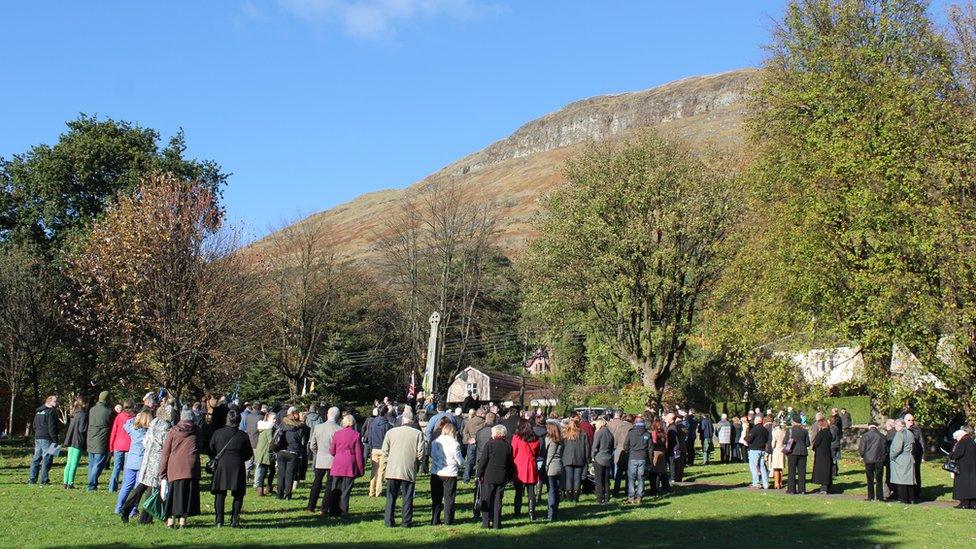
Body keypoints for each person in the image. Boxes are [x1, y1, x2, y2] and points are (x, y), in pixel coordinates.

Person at [122, 404, 174, 524]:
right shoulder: (166, 427)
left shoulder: (154, 422)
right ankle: (145, 519)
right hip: (157, 460)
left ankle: (126, 508)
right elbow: (166, 445)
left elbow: (145, 441)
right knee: (152, 489)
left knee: (141, 487)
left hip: (147, 458)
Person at [208, 409, 253, 527]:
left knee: (220, 494)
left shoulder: (218, 433)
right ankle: (235, 520)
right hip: (237, 465)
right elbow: (249, 453)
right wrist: (240, 458)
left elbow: (211, 449)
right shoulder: (243, 435)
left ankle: (219, 520)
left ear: (227, 419)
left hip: (222, 465)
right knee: (238, 494)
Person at [159, 408, 202, 528]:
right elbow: (200, 446)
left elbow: (165, 453)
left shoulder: (173, 431)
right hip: (191, 467)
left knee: (173, 495)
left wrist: (162, 472)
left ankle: (171, 521)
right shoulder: (197, 430)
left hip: (175, 467)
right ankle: (183, 521)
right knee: (187, 495)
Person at [382, 411, 425, 528]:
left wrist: (385, 466)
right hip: (408, 468)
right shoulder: (417, 434)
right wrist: (416, 464)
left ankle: (388, 521)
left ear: (402, 420)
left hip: (392, 469)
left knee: (391, 496)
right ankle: (406, 522)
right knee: (407, 496)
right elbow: (421, 453)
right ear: (412, 421)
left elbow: (385, 452)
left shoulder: (391, 432)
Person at [324, 414, 364, 518]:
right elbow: (359, 454)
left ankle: (333, 510)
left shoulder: (337, 434)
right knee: (346, 489)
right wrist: (360, 469)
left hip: (338, 462)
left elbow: (332, 450)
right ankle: (343, 510)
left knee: (335, 488)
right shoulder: (356, 435)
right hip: (349, 464)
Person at [114, 409, 149, 516]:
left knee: (126, 486)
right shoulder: (148, 433)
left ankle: (118, 508)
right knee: (137, 489)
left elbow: (126, 424)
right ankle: (133, 510)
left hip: (130, 462)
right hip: (141, 463)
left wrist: (135, 418)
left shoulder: (133, 430)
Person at [478, 424, 514, 529]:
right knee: (498, 501)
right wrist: (510, 476)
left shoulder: (489, 444)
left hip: (489, 475)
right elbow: (510, 463)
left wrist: (479, 474)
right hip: (502, 476)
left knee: (487, 499)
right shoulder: (508, 446)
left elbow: (483, 461)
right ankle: (496, 523)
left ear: (495, 433)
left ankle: (485, 523)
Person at [307, 407, 341, 514]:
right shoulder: (339, 429)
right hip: (333, 459)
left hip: (320, 458)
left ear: (327, 414)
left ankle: (310, 506)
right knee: (329, 485)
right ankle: (324, 508)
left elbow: (312, 445)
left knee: (316, 483)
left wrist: (319, 453)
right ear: (338, 416)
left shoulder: (318, 427)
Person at [430, 418, 463, 525]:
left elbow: (432, 455)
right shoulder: (455, 444)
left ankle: (435, 519)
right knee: (449, 498)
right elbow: (459, 460)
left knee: (436, 498)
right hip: (450, 473)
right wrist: (462, 463)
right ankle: (448, 520)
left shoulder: (435, 442)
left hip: (436, 472)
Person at [511, 417, 541, 519]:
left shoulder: (516, 437)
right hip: (531, 465)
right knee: (531, 490)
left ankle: (517, 511)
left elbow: (513, 452)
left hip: (519, 465)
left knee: (518, 491)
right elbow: (537, 453)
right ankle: (531, 513)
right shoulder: (535, 438)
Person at [274, 407, 305, 500]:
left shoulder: (282, 425)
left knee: (281, 474)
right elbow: (302, 441)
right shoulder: (300, 428)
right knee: (290, 475)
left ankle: (279, 494)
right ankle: (288, 494)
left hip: (282, 451)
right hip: (293, 452)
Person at [28, 395, 60, 486]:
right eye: (55, 401)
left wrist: (38, 432)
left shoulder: (38, 411)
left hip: (38, 437)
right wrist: (55, 440)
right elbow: (52, 427)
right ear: (50, 402)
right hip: (48, 438)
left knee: (36, 459)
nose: (57, 403)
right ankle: (44, 480)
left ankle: (32, 479)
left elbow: (34, 425)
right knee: (47, 459)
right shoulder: (51, 412)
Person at [86, 391, 113, 491]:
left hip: (91, 439)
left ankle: (93, 483)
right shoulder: (108, 411)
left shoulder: (92, 409)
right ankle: (91, 485)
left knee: (92, 463)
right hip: (101, 440)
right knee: (98, 464)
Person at [472, 412, 496, 520]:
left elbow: (477, 445)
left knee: (478, 489)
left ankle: (476, 511)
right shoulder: (494, 433)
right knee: (490, 488)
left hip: (480, 461)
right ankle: (490, 511)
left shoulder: (480, 432)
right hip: (491, 463)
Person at [108, 400, 135, 493]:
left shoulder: (119, 417)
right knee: (126, 468)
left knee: (116, 467)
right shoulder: (134, 418)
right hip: (128, 446)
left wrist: (111, 445)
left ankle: (112, 487)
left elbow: (114, 432)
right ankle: (124, 488)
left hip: (118, 445)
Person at [62, 396, 88, 489]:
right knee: (74, 463)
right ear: (84, 404)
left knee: (68, 463)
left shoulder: (74, 413)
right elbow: (82, 429)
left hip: (70, 440)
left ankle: (65, 482)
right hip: (78, 440)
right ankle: (70, 483)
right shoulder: (83, 415)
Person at [623, 415, 650, 504]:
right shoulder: (647, 434)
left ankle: (631, 496)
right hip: (643, 458)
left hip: (632, 457)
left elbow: (625, 445)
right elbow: (650, 448)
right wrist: (650, 460)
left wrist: (628, 452)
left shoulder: (631, 433)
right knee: (641, 478)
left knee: (631, 478)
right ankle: (639, 497)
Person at [367, 407, 393, 498]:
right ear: (385, 413)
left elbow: (369, 436)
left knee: (374, 471)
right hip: (383, 449)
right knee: (381, 471)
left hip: (374, 448)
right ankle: (378, 491)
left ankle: (371, 491)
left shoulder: (373, 423)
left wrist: (371, 447)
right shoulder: (388, 425)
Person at [561, 417, 589, 502]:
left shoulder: (565, 434)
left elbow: (562, 447)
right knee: (577, 478)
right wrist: (587, 458)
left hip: (567, 458)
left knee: (569, 478)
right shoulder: (583, 433)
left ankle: (569, 497)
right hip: (579, 457)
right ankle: (576, 497)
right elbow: (586, 447)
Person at [889, 418, 915, 504]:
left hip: (901, 459)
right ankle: (911, 499)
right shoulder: (910, 433)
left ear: (899, 425)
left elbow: (897, 449)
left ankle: (902, 499)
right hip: (909, 457)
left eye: (895, 425)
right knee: (909, 480)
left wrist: (891, 457)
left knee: (901, 480)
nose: (895, 427)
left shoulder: (900, 434)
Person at [858, 422, 887, 501]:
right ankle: (879, 497)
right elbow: (885, 448)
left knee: (870, 479)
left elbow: (862, 449)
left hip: (869, 460)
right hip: (879, 459)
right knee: (879, 479)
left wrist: (862, 456)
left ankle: (870, 497)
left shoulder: (865, 436)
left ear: (869, 426)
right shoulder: (882, 436)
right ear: (876, 427)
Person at [949, 426, 976, 509]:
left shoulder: (963, 441)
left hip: (963, 467)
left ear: (960, 435)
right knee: (971, 485)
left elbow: (958, 453)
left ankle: (963, 504)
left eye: (957, 437)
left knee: (963, 485)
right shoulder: (971, 441)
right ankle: (973, 504)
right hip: (971, 466)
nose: (956, 439)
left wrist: (951, 454)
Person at [608, 411, 633, 497]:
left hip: (619, 450)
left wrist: (615, 447)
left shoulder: (620, 428)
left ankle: (616, 491)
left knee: (618, 471)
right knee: (628, 473)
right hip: (629, 451)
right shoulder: (632, 427)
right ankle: (627, 490)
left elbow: (616, 440)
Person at [543, 422, 563, 520]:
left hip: (551, 468)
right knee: (556, 490)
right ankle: (555, 511)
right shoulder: (560, 440)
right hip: (559, 466)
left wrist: (545, 468)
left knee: (551, 491)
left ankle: (550, 514)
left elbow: (549, 456)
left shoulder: (550, 440)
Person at [591, 418, 614, 504]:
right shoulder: (610, 434)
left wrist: (592, 456)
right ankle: (607, 498)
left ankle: (600, 498)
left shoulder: (599, 433)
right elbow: (612, 447)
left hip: (599, 458)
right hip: (608, 458)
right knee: (606, 479)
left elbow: (594, 446)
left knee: (599, 479)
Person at [253, 413, 276, 496]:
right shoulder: (269, 428)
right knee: (267, 471)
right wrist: (275, 448)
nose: (275, 420)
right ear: (268, 419)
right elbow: (271, 441)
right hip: (266, 452)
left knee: (264, 470)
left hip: (261, 451)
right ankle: (264, 489)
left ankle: (262, 489)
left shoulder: (262, 427)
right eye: (273, 419)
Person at [745, 415, 770, 489]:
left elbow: (749, 439)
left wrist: (745, 438)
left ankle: (756, 483)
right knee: (762, 467)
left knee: (754, 467)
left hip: (754, 450)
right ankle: (765, 484)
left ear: (756, 421)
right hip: (762, 449)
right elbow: (767, 439)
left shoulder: (754, 429)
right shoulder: (765, 430)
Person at [811, 418, 834, 494]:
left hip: (821, 454)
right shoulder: (829, 432)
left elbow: (816, 442)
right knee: (827, 470)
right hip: (827, 453)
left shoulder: (821, 433)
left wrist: (813, 447)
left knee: (822, 470)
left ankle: (823, 488)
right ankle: (826, 487)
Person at [461, 409, 484, 484]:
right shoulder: (483, 422)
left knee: (469, 462)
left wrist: (469, 439)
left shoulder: (470, 421)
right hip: (480, 443)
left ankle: (465, 479)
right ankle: (477, 478)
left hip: (471, 443)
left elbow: (464, 432)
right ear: (480, 414)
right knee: (479, 461)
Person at [905, 414, 924, 501]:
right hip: (905, 456)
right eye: (909, 420)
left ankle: (916, 493)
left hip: (915, 455)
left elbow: (921, 442)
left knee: (916, 474)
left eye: (912, 420)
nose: (911, 422)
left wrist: (923, 456)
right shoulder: (902, 429)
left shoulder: (917, 429)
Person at [648, 419, 670, 496]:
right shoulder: (664, 434)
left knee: (653, 473)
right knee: (662, 472)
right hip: (662, 453)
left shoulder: (653, 433)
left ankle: (654, 490)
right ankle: (666, 488)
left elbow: (653, 443)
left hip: (655, 453)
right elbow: (666, 445)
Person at [770, 419, 787, 490]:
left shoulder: (774, 432)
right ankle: (780, 482)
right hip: (783, 450)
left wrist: (772, 446)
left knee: (776, 467)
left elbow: (773, 443)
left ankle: (776, 483)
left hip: (777, 450)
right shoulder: (783, 432)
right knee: (781, 467)